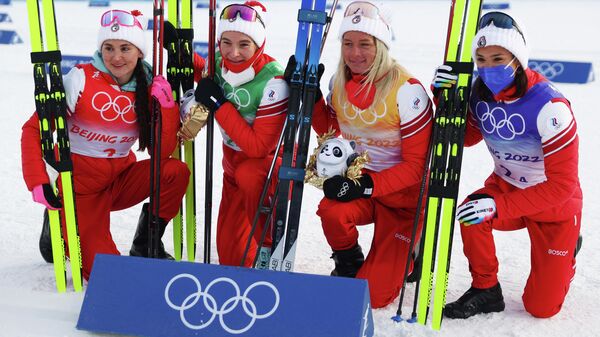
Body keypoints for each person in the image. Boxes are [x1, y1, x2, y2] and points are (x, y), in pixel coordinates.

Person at [432, 11, 583, 319]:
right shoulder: (480, 94)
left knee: (540, 308)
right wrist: (444, 99)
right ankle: (486, 289)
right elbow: (468, 137)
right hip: (506, 185)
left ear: (517, 58)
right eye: (482, 59)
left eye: (498, 58)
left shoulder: (551, 108)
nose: (488, 68)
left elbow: (562, 186)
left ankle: (567, 254)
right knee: (471, 213)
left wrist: (499, 207)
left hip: (553, 206)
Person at [21, 9, 190, 279]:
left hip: (118, 180)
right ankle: (59, 222)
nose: (116, 57)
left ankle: (145, 243)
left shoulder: (148, 87)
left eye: (125, 48)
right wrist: (37, 180)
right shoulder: (80, 79)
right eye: (108, 48)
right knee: (107, 273)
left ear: (139, 52)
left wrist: (167, 108)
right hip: (79, 189)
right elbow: (33, 128)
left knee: (175, 171)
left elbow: (163, 152)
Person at [307, 1, 433, 309]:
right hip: (363, 188)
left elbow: (416, 167)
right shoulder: (339, 81)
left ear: (382, 46)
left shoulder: (407, 91)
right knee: (332, 211)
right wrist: (310, 99)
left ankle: (412, 252)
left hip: (402, 200)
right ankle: (349, 262)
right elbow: (330, 128)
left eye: (365, 44)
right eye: (348, 43)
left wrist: (364, 186)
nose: (355, 53)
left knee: (373, 298)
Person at [186, 1, 289, 267]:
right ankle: (252, 241)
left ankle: (269, 244)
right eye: (226, 42)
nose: (233, 53)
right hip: (234, 170)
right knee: (233, 261)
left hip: (268, 172)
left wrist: (219, 104)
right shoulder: (220, 62)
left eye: (244, 44)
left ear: (258, 44)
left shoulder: (273, 81)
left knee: (249, 173)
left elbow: (258, 148)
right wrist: (182, 50)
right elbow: (207, 73)